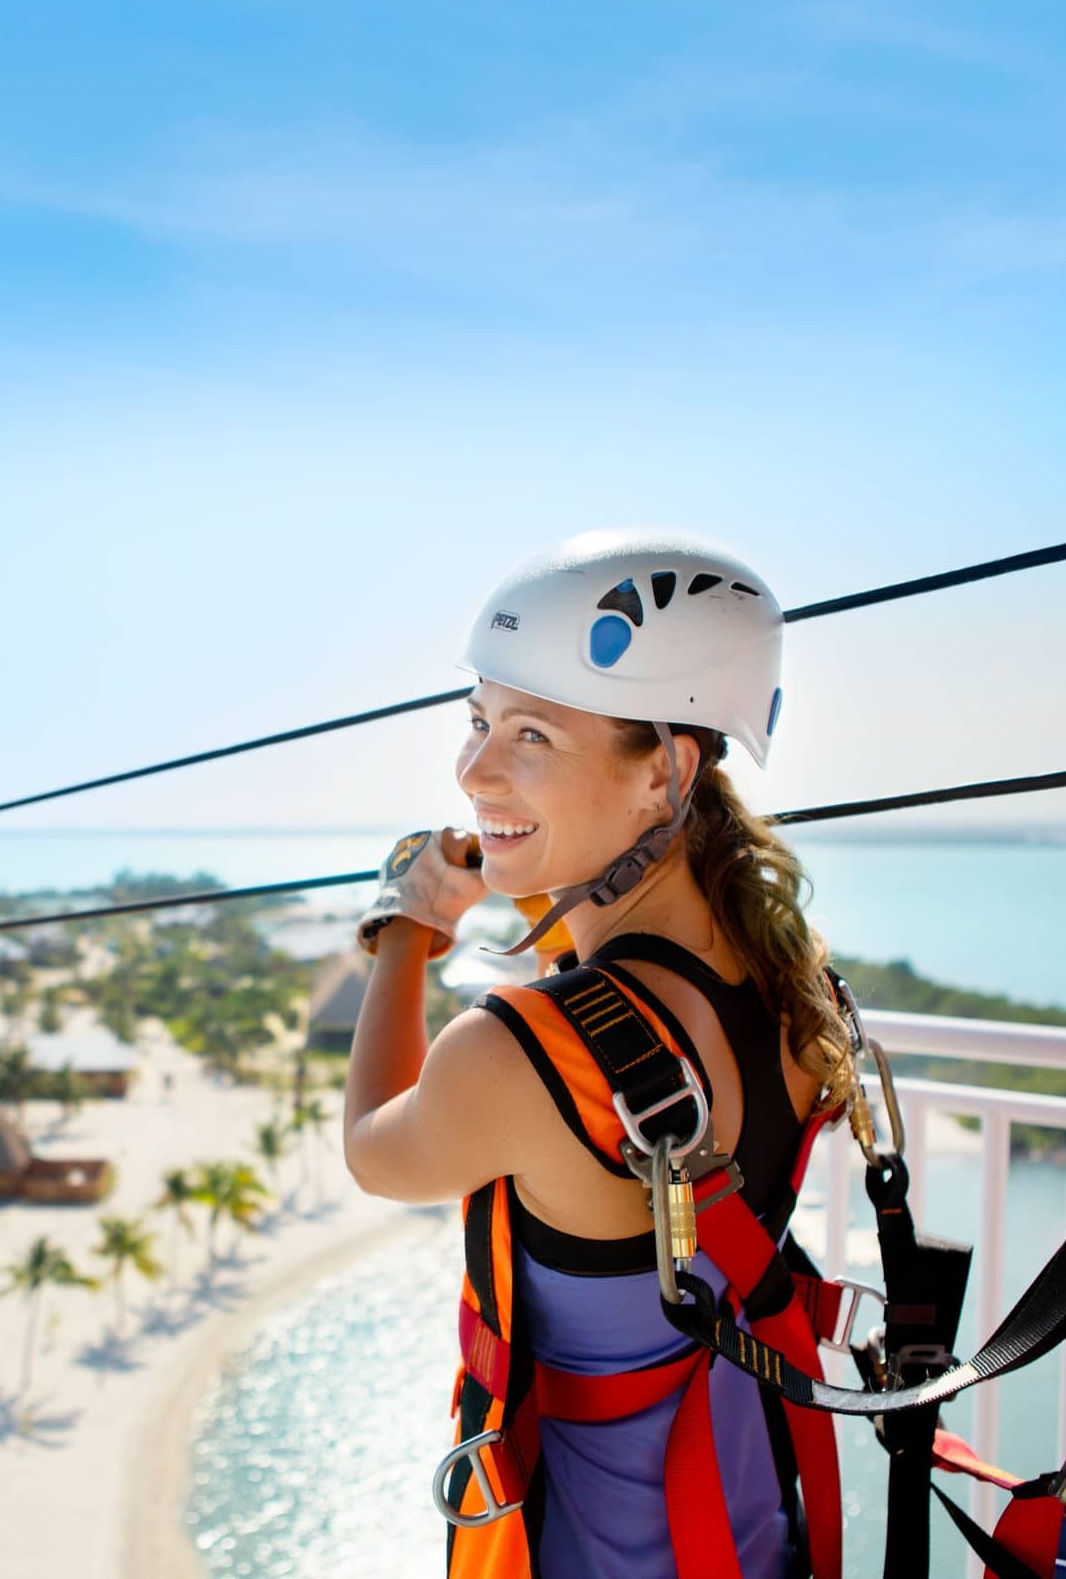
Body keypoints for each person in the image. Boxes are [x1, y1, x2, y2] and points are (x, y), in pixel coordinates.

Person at [343, 531, 854, 1579]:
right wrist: (523, 856)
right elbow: (625, 953)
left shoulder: (516, 1054)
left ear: (665, 771)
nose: (472, 768)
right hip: (752, 1531)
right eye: (479, 722)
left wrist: (405, 930)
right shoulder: (788, 986)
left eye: (529, 736)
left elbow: (369, 1148)